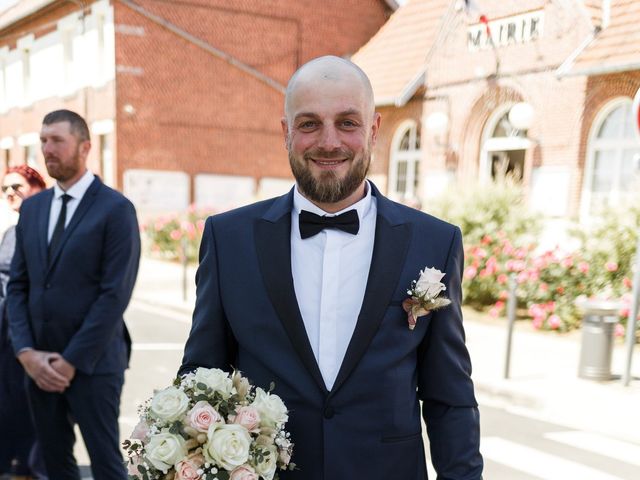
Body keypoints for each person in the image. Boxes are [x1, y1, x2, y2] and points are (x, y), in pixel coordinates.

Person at [180, 56, 483, 479]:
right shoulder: (228, 239)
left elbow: (449, 395)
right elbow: (200, 377)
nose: (329, 142)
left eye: (347, 123)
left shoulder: (434, 241)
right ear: (286, 132)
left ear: (374, 129)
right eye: (308, 124)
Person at [7, 110, 141, 480]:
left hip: (94, 365)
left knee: (106, 463)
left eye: (57, 141)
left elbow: (114, 296)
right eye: (43, 140)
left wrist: (71, 362)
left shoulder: (116, 209)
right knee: (54, 462)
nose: (47, 149)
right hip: (38, 364)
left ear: (85, 147)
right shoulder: (32, 209)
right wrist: (25, 352)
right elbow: (18, 285)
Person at [0, 166, 48, 479]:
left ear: (36, 187)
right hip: (5, 334)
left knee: (33, 411)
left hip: (33, 335)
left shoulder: (45, 229)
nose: (9, 194)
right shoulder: (10, 232)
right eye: (4, 189)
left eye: (16, 186)